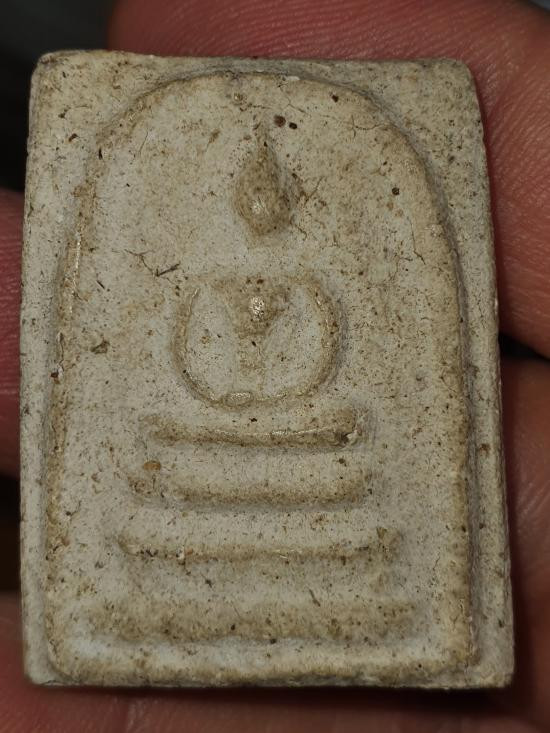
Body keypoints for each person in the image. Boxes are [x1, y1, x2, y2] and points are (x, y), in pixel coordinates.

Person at [0, 0, 549, 730]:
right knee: (177, 456)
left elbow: (324, 362)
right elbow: (195, 364)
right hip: (208, 438)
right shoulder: (204, 273)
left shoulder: (318, 270)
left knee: (341, 437)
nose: (265, 208)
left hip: (308, 438)